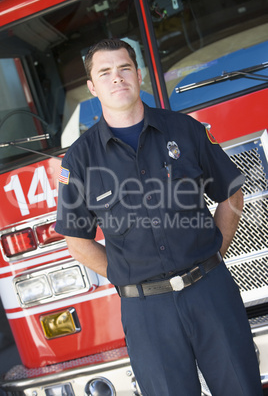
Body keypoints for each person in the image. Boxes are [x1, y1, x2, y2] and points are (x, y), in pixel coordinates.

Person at [55, 38, 262, 396]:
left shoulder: (185, 130)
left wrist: (214, 255)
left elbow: (231, 194)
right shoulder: (79, 160)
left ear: (140, 74)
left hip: (211, 294)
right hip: (146, 312)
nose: (116, 78)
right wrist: (131, 275)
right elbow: (77, 239)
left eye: (124, 68)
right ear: (92, 87)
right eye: (105, 72)